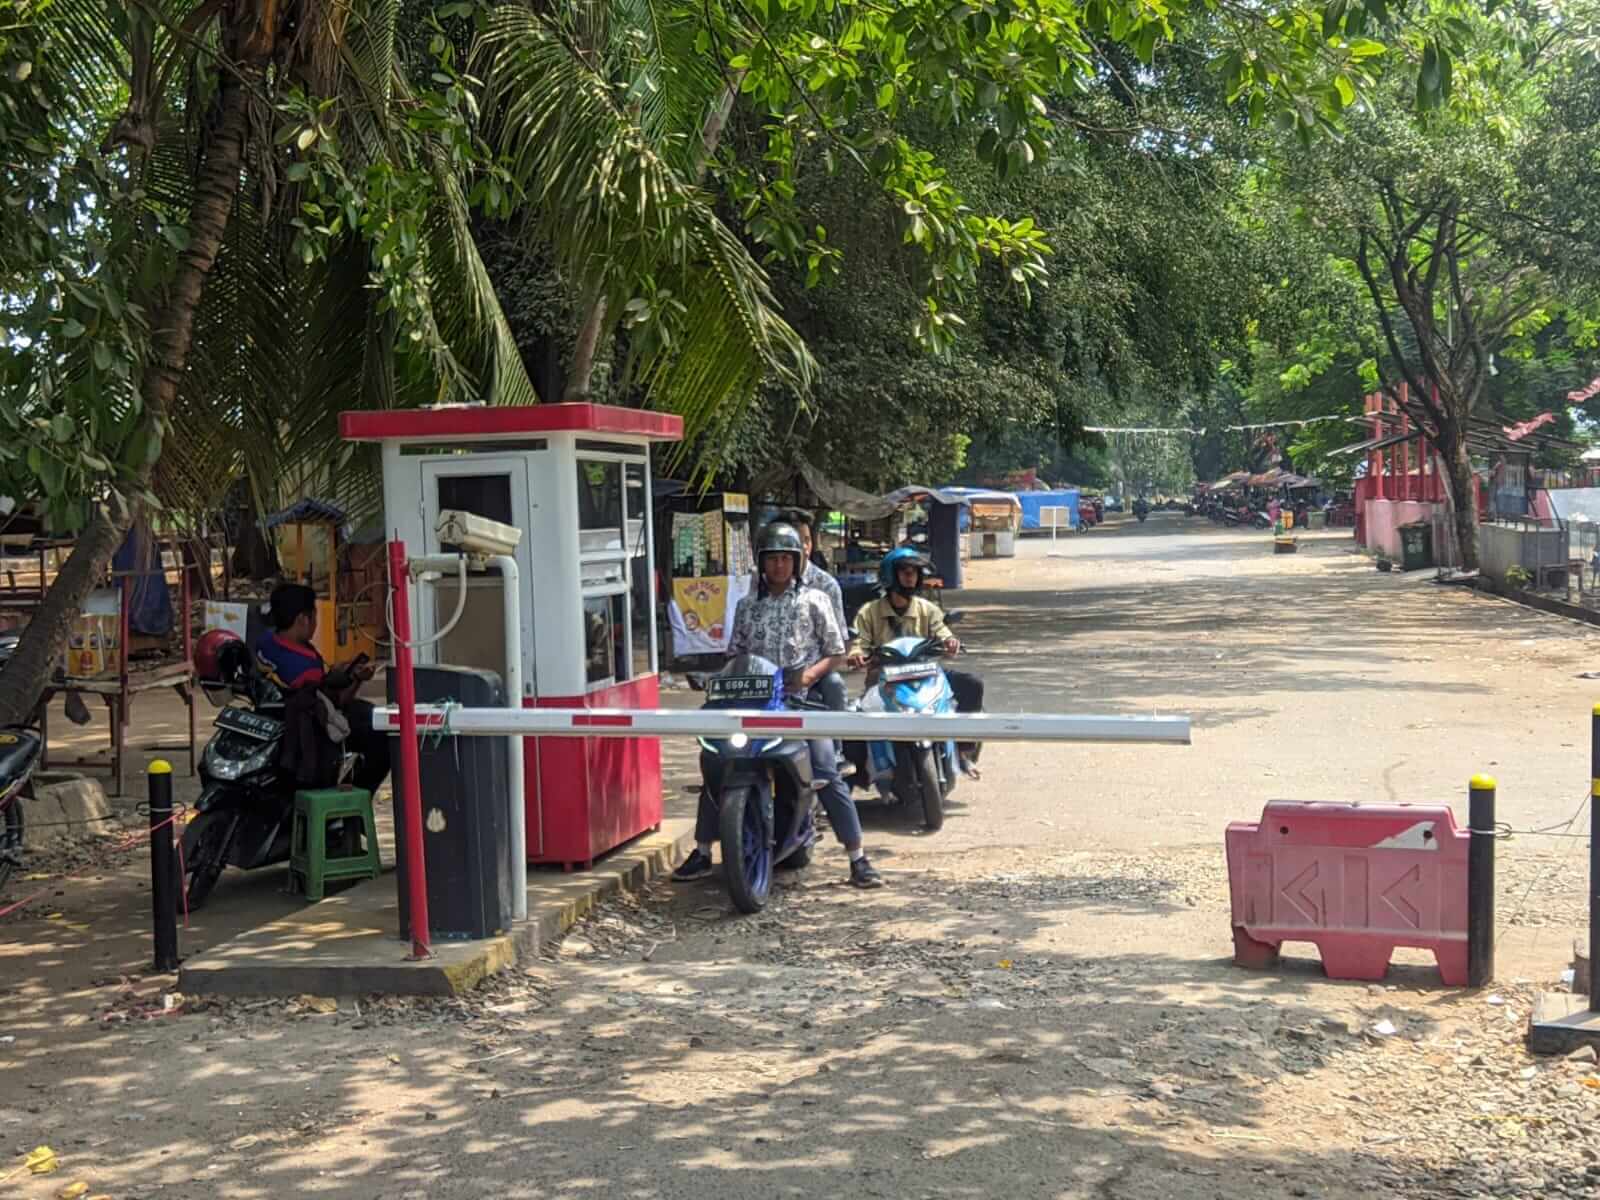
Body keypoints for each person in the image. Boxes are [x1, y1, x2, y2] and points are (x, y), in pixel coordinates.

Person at [676, 522, 882, 889]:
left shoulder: (814, 600)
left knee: (824, 768)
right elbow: (735, 654)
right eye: (772, 559)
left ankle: (857, 858)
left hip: (799, 704)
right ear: (761, 562)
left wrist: (807, 676)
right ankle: (703, 851)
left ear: (798, 562)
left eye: (787, 559)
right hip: (751, 703)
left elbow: (835, 652)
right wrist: (715, 680)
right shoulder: (745, 606)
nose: (779, 566)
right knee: (714, 761)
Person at [849, 546, 985, 777]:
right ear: (890, 575)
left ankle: (963, 751)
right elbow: (859, 641)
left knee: (973, 684)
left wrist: (950, 642)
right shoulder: (870, 612)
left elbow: (942, 631)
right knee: (854, 717)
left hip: (925, 674)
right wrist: (856, 654)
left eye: (915, 572)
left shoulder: (927, 609)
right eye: (905, 571)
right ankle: (861, 773)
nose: (911, 577)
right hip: (883, 678)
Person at [254, 583, 390, 794]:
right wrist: (357, 678)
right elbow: (337, 702)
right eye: (314, 617)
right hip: (311, 726)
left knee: (367, 711)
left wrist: (335, 673)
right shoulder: (303, 665)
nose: (315, 623)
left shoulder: (267, 642)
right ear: (302, 619)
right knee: (382, 736)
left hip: (280, 711)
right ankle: (354, 800)